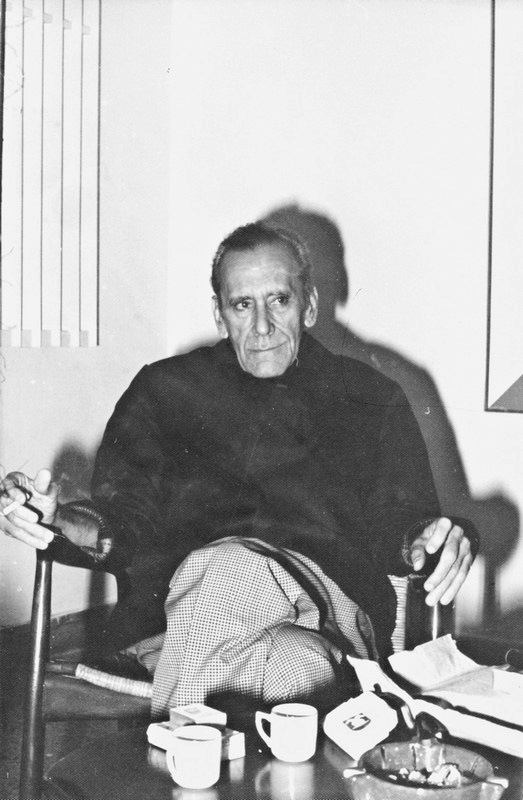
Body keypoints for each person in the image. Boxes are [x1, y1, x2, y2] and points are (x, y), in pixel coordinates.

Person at [0, 222, 477, 709]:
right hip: (176, 632)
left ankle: (180, 748)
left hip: (332, 619)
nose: (263, 326)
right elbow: (126, 520)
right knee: (299, 668)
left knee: (230, 568)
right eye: (243, 305)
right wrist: (58, 519)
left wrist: (429, 538)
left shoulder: (370, 397)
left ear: (309, 305)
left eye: (279, 300)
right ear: (219, 314)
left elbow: (401, 521)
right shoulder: (163, 391)